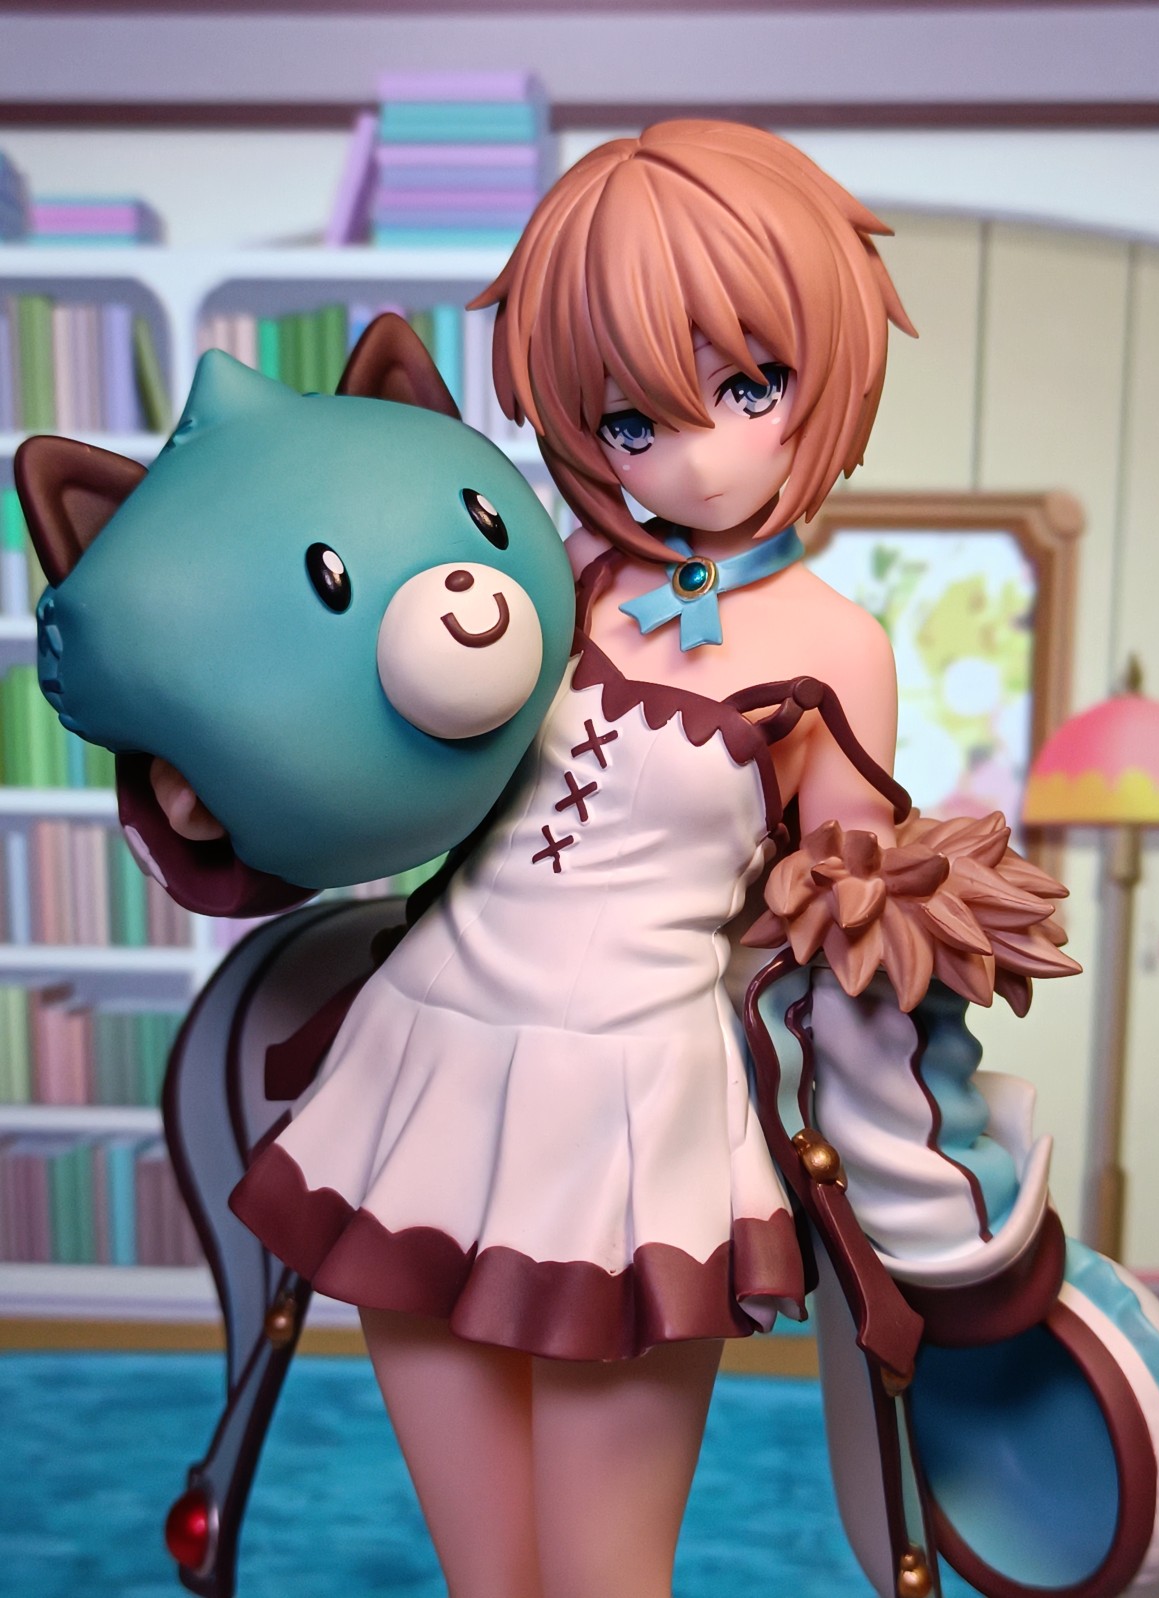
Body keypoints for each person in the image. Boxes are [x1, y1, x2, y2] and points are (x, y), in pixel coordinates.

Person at [229, 119, 921, 1598]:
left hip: (631, 1120)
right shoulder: (542, 563)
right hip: (422, 1074)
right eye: (631, 417)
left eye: (751, 384)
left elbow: (846, 918)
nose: (700, 448)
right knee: (485, 1572)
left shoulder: (838, 649)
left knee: (608, 1575)